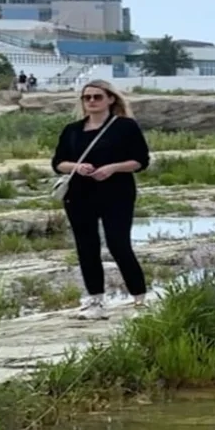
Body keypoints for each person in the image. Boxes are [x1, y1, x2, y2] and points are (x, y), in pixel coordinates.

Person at [51, 80, 150, 320]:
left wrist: (112, 168)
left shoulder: (125, 126)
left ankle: (139, 300)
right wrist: (77, 167)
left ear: (110, 99)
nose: (92, 101)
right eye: (87, 97)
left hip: (117, 193)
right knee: (86, 247)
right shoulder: (72, 130)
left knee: (118, 244)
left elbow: (140, 160)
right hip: (78, 194)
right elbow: (58, 163)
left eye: (97, 97)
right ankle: (95, 300)